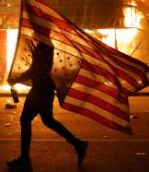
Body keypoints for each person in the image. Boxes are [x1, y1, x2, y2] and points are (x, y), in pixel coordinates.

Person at [7, 42, 88, 170]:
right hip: (43, 90)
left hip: (40, 91)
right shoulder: (44, 45)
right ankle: (78, 144)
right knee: (48, 120)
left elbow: (36, 70)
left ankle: (24, 159)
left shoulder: (44, 46)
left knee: (26, 119)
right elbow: (36, 69)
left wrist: (16, 79)